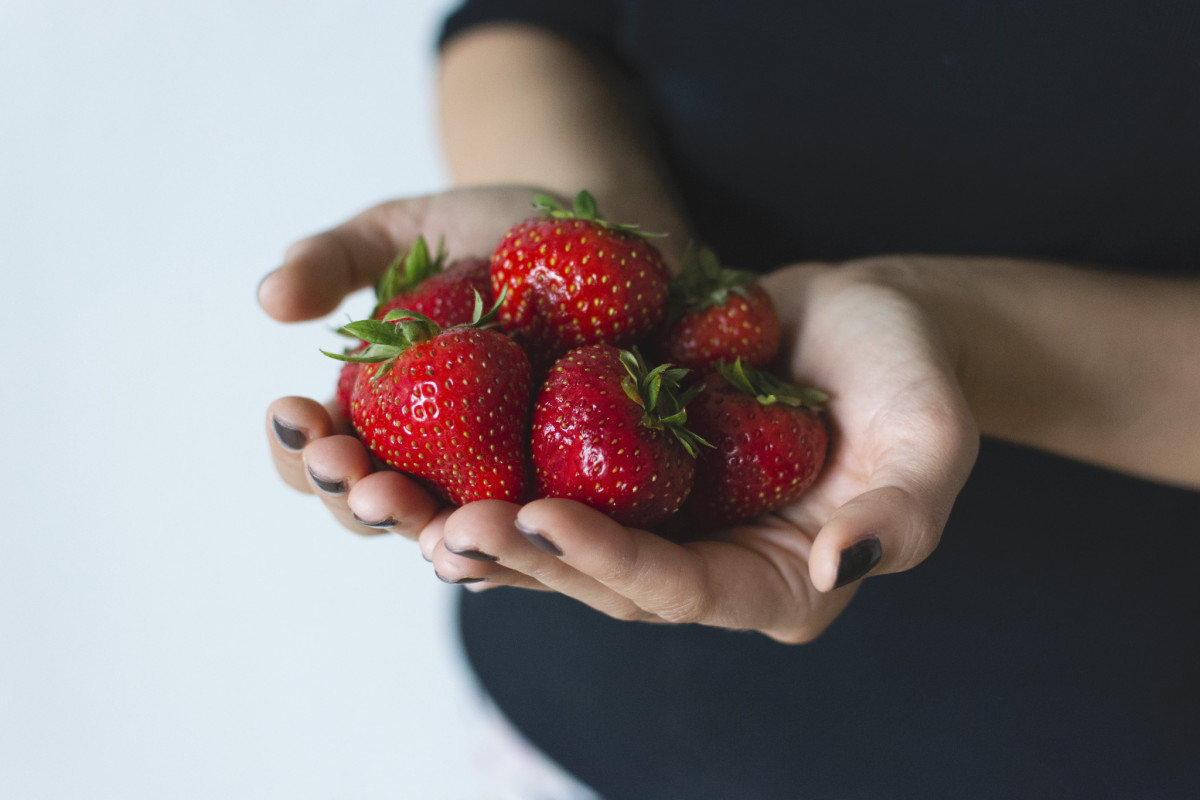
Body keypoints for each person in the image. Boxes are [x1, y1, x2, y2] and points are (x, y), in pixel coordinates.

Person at [259, 2, 1200, 796]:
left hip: (1087, 731)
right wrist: (608, 222)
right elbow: (532, 19)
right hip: (577, 725)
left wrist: (963, 337)